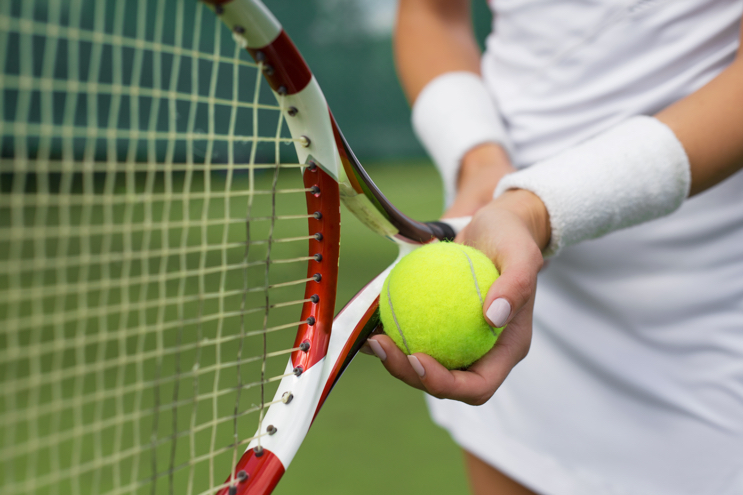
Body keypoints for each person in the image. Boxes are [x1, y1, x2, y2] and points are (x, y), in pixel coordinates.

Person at [362, 1, 743, 494]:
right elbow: (431, 14)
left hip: (699, 305)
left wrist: (537, 208)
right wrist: (477, 156)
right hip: (502, 281)